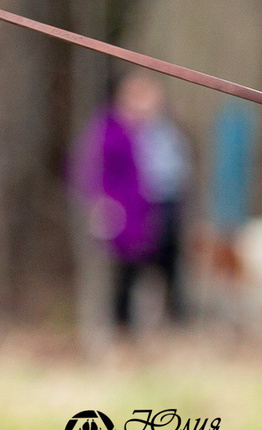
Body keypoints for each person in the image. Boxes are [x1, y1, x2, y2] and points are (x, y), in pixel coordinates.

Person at [77, 74, 190, 331]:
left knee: (167, 261)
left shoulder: (163, 129)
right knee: (127, 266)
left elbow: (176, 168)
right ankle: (123, 322)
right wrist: (99, 201)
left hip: (161, 203)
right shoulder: (112, 130)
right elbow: (92, 169)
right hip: (124, 208)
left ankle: (174, 318)